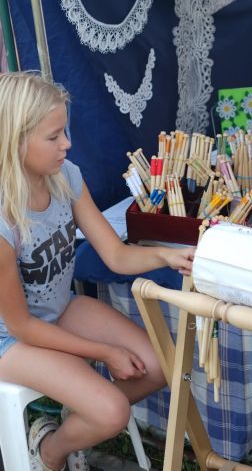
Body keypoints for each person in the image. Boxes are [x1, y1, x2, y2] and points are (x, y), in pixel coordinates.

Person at [0, 72, 195, 471]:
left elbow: (116, 256)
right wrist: (106, 353)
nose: (67, 144)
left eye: (65, 131)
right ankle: (49, 452)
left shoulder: (65, 176)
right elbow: (22, 327)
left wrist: (166, 256)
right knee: (112, 412)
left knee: (159, 366)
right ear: (16, 141)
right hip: (11, 339)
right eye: (53, 136)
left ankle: (73, 425)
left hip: (58, 309)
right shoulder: (4, 222)